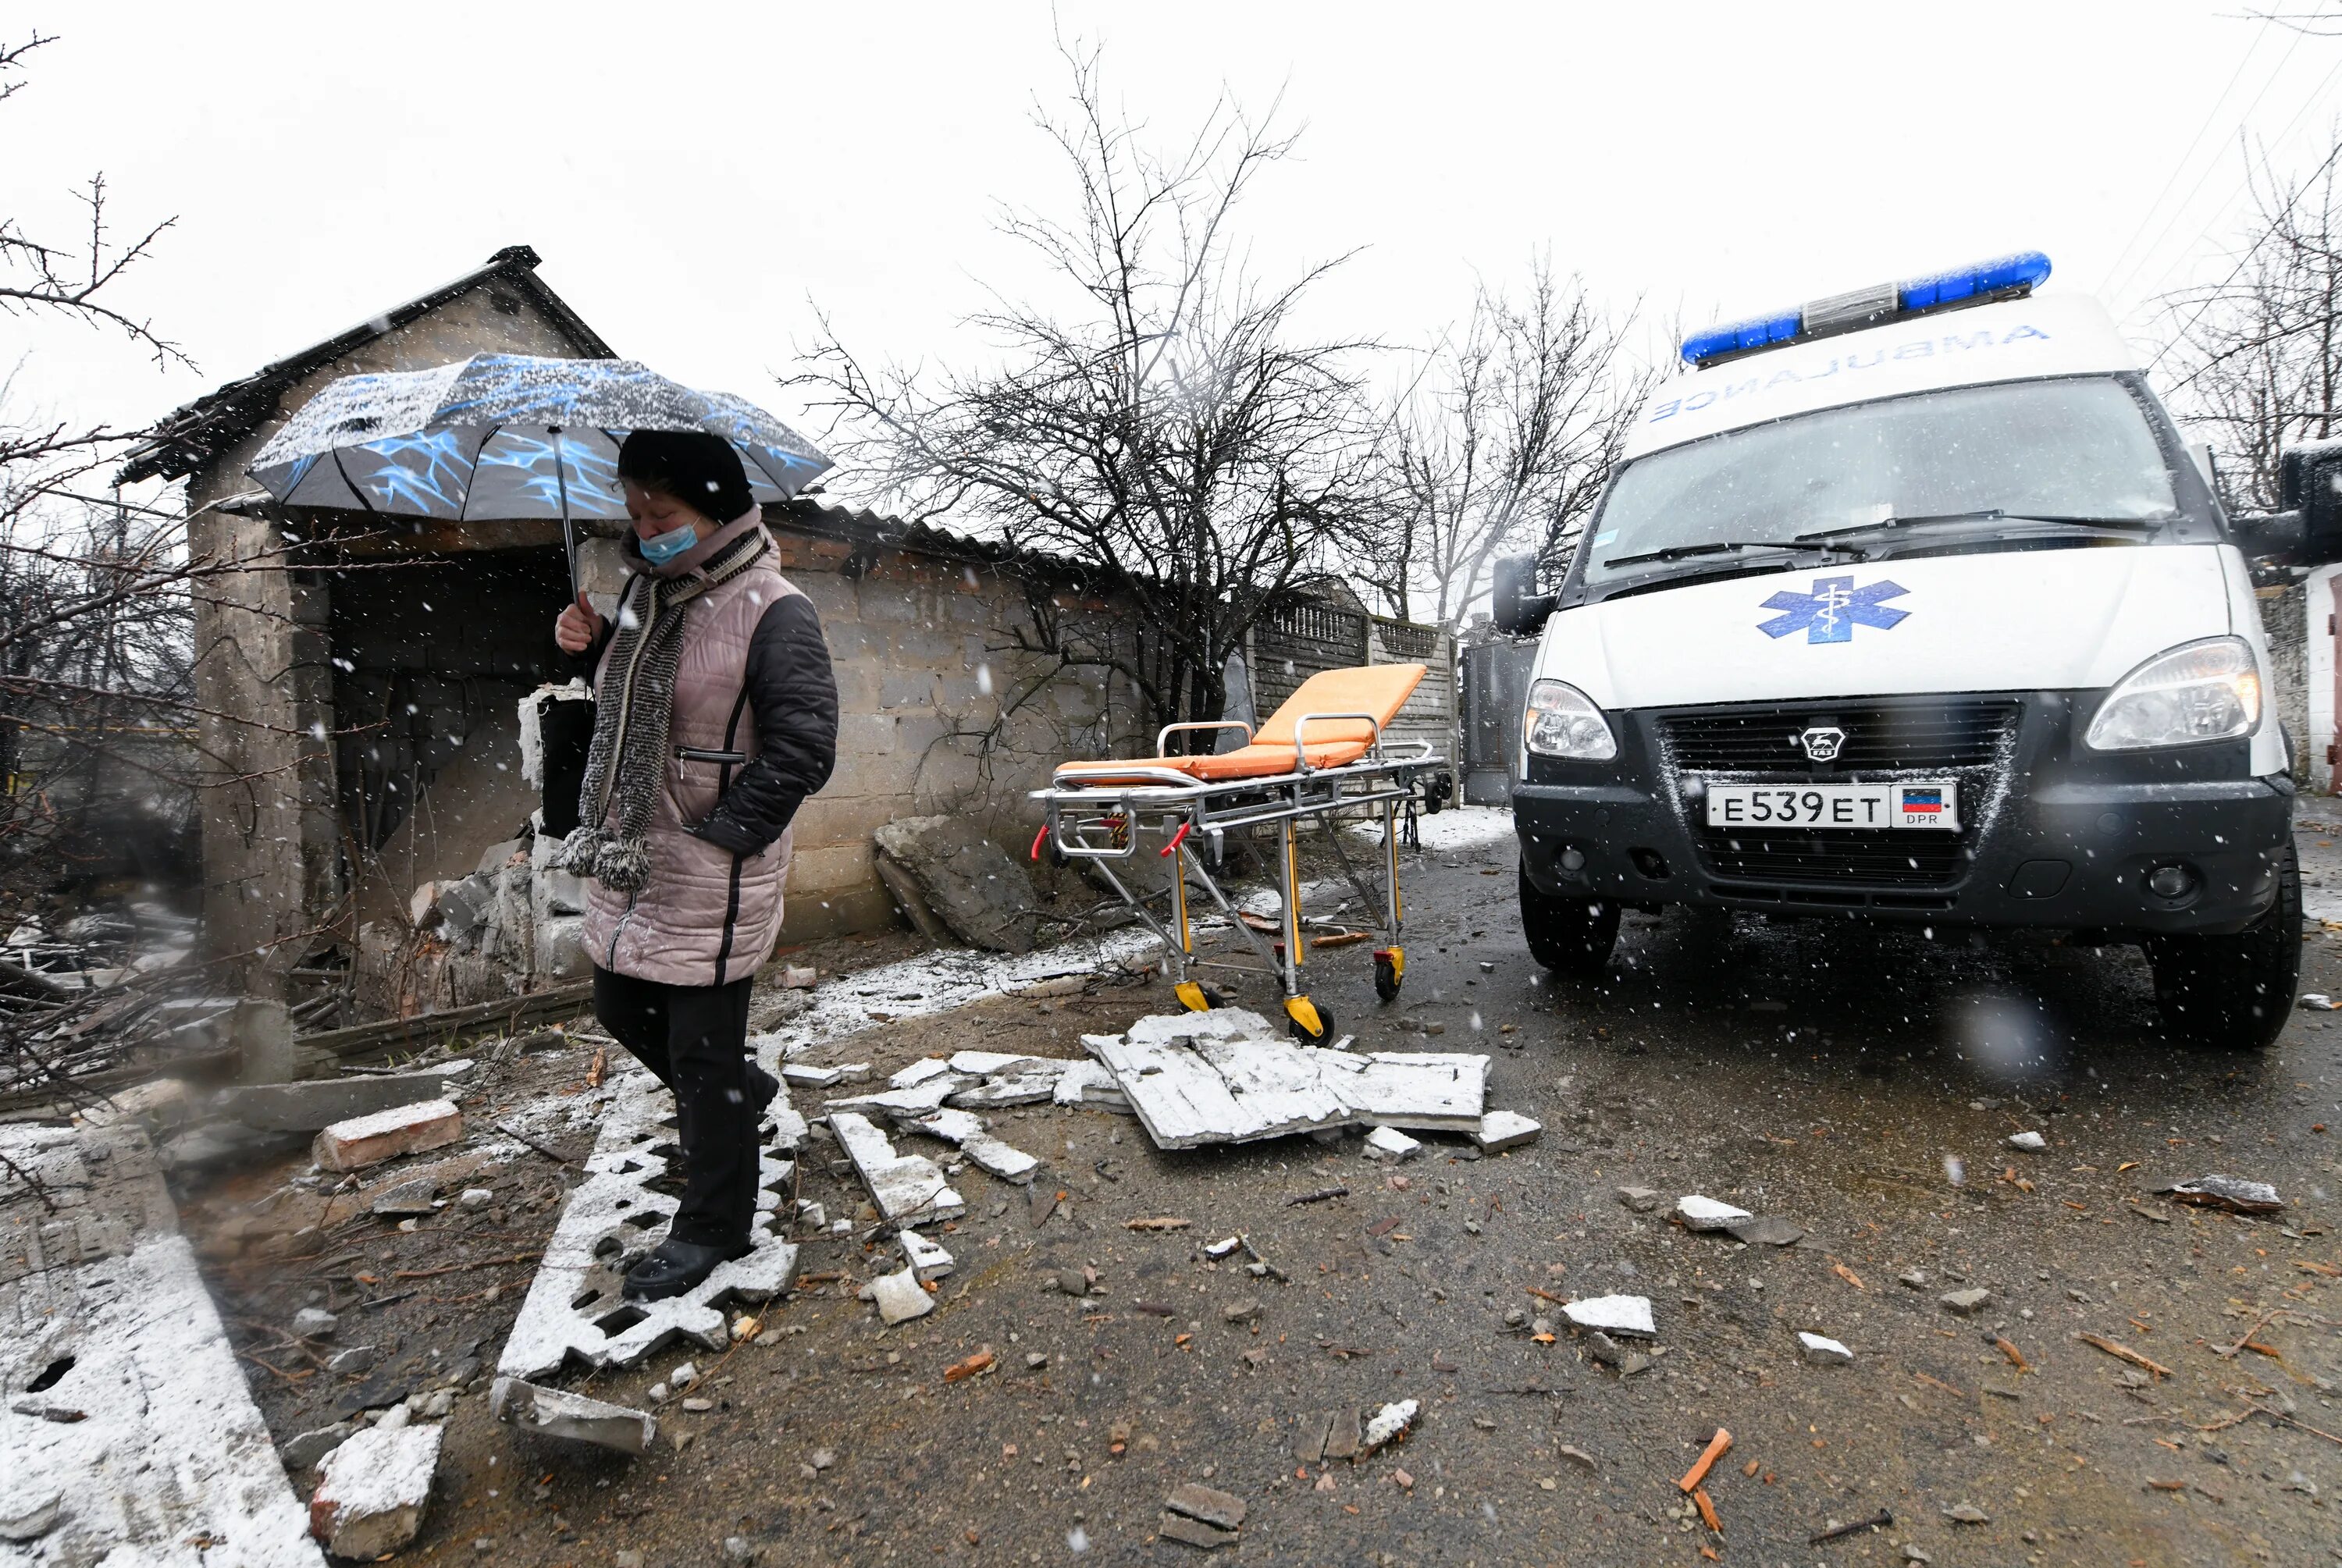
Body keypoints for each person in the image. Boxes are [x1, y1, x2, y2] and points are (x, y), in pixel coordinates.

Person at [553, 429, 838, 1301]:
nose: (643, 527)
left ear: (713, 506)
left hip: (711, 864)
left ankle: (714, 1224)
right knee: (618, 1004)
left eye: (661, 511)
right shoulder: (647, 600)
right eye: (633, 510)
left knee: (700, 1052)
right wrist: (588, 644)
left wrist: (729, 836)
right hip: (636, 852)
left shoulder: (774, 605)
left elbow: (805, 745)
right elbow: (627, 708)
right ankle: (743, 1096)